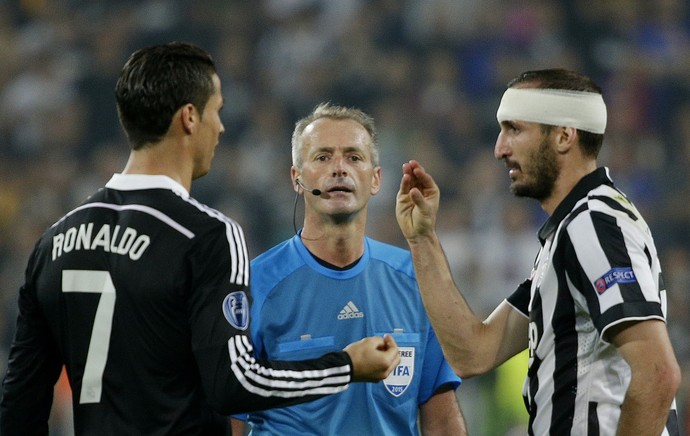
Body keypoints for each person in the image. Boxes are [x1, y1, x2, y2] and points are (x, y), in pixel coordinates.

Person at [0, 42, 401, 436]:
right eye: (217, 111)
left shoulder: (55, 242)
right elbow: (235, 384)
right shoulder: (206, 235)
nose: (221, 127)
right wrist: (346, 366)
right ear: (190, 118)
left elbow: (20, 407)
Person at [395, 68, 682, 435]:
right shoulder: (569, 234)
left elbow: (658, 374)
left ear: (564, 136)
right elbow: (473, 352)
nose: (500, 149)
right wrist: (422, 239)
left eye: (514, 129)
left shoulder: (594, 224)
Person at [231, 103, 467, 435]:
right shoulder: (254, 286)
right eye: (323, 157)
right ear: (297, 179)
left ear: (375, 179)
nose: (339, 168)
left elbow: (441, 419)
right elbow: (230, 419)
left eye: (354, 157)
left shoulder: (414, 281)